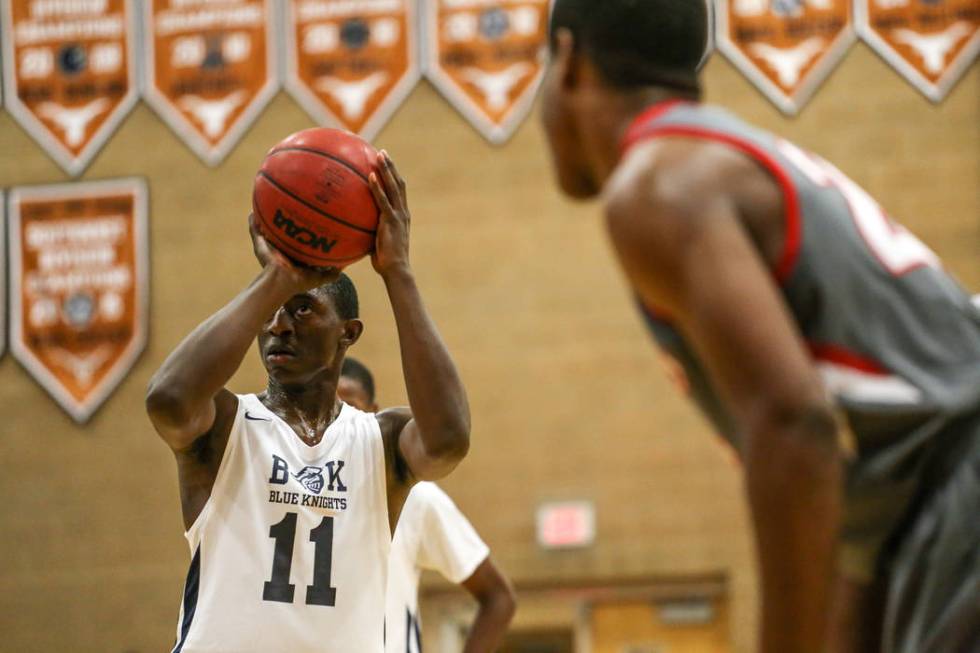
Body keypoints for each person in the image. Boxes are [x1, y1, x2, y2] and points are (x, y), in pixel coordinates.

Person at [539, 2, 980, 653]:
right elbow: (862, 477)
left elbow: (794, 423)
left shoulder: (656, 184)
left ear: (569, 61)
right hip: (934, 504)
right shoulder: (720, 155)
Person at [146, 151, 471, 653]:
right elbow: (168, 399)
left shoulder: (380, 443)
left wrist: (398, 272)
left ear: (348, 334)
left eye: (301, 308)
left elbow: (449, 439)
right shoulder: (227, 427)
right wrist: (278, 277)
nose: (278, 324)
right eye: (271, 313)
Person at [339, 357, 517, 653]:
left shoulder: (415, 497)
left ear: (373, 412)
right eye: (332, 408)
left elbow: (498, 597)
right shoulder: (289, 491)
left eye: (350, 405)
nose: (341, 418)